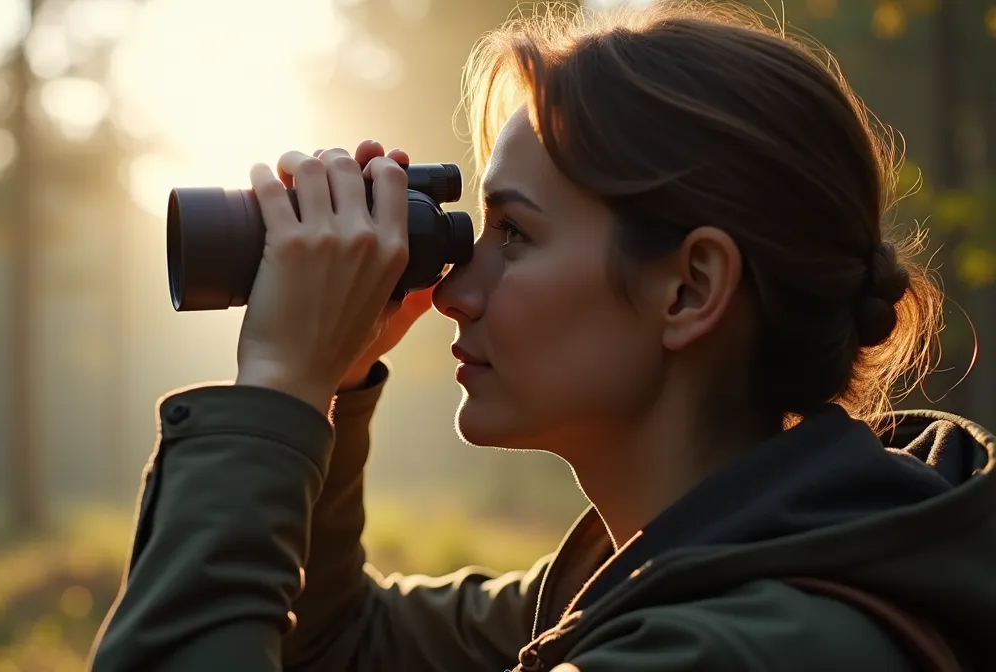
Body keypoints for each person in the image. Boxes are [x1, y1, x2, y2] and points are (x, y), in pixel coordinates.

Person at [89, 2, 996, 670]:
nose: (454, 294)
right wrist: (329, 381)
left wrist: (278, 381)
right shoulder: (665, 575)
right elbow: (331, 649)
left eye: (513, 235)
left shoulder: (737, 647)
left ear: (690, 289)